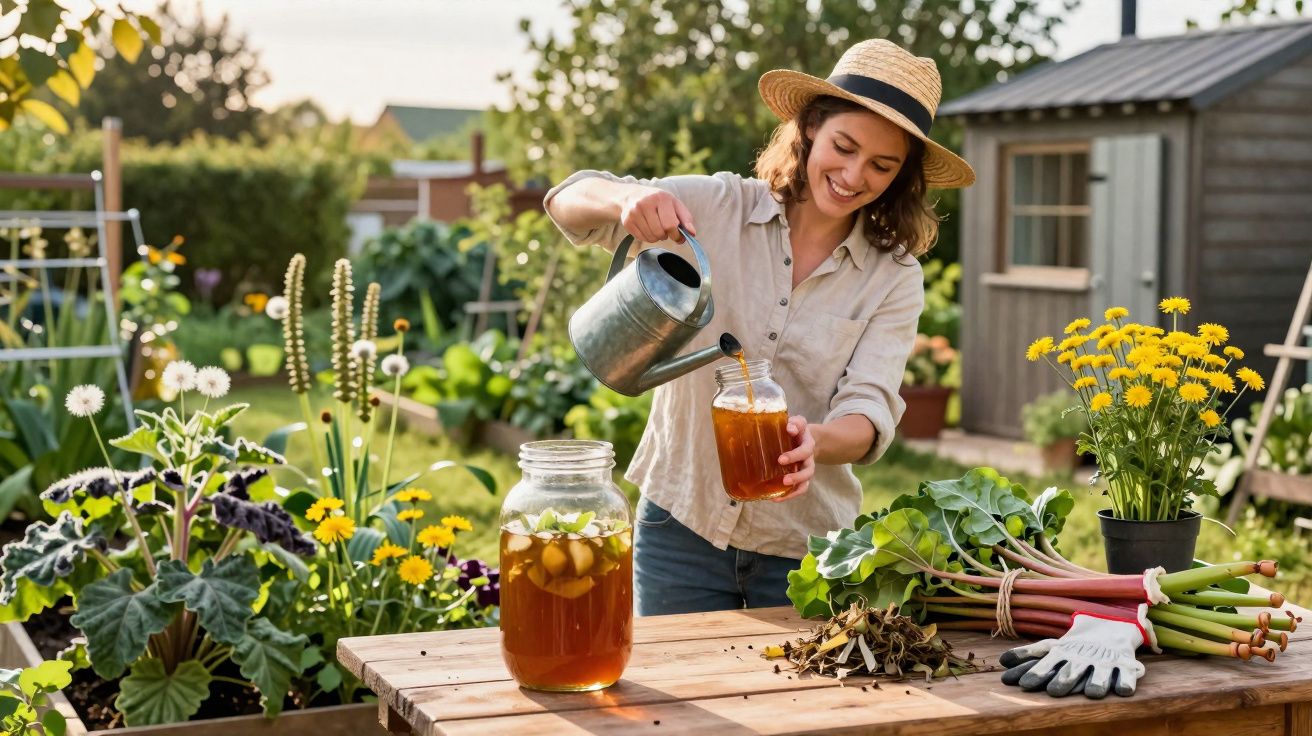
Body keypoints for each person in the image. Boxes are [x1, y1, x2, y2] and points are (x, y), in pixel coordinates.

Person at [543, 39, 975, 616]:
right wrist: (627, 198)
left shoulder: (894, 277)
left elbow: (869, 411)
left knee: (797, 705)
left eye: (881, 165)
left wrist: (814, 441)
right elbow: (566, 201)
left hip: (806, 548)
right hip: (680, 527)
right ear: (810, 129)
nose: (853, 175)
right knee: (681, 706)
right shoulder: (715, 210)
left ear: (902, 177)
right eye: (843, 147)